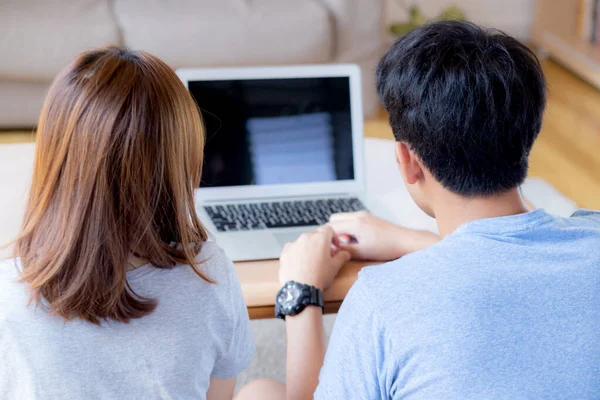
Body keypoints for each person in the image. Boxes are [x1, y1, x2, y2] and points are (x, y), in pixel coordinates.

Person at [237, 21, 600, 399]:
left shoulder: (384, 300)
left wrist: (302, 295)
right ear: (530, 132)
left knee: (258, 392)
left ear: (407, 161)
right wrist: (412, 241)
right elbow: (514, 256)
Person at [0, 47, 254, 399]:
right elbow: (219, 392)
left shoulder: (8, 297)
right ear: (182, 163)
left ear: (54, 159)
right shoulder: (209, 274)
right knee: (264, 390)